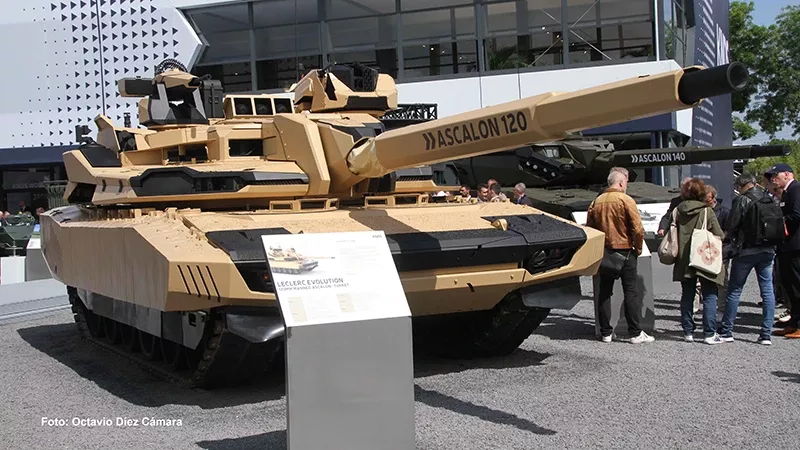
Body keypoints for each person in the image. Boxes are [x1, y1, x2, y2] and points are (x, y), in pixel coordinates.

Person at [586, 170, 654, 344]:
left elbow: (590, 228)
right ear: (622, 183)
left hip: (605, 252)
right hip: (626, 251)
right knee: (630, 291)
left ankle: (606, 333)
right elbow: (637, 229)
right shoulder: (625, 200)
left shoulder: (597, 202)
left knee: (604, 292)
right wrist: (637, 248)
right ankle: (635, 333)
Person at [717, 174, 776, 345]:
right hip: (768, 249)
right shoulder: (768, 198)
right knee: (767, 290)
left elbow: (732, 224)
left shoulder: (742, 200)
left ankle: (727, 330)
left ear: (742, 186)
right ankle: (766, 334)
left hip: (746, 250)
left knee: (735, 290)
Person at [673, 178, 725, 344]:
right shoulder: (706, 211)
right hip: (703, 256)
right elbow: (719, 234)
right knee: (709, 294)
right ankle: (709, 334)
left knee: (687, 295)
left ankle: (688, 331)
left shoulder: (678, 210)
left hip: (683, 258)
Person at [765, 164, 800, 339]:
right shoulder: (786, 192)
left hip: (796, 246)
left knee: (797, 285)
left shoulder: (795, 189)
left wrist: (775, 223)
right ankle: (794, 322)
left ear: (787, 174)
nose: (773, 178)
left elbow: (796, 215)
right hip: (786, 246)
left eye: (775, 174)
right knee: (789, 286)